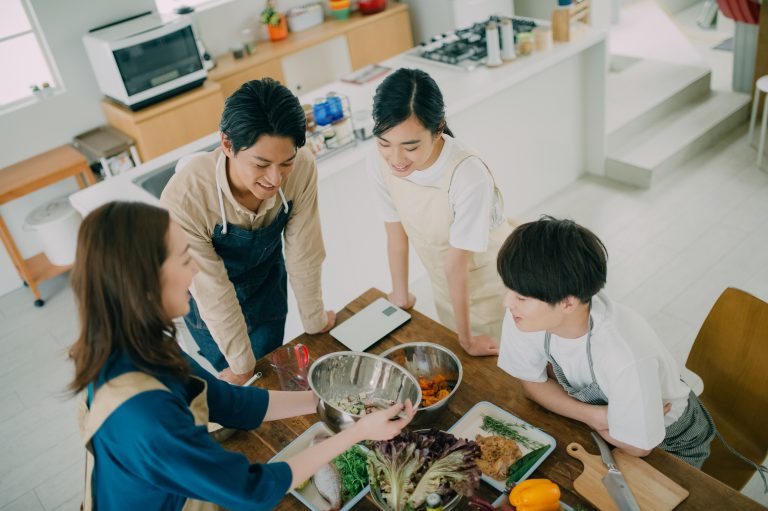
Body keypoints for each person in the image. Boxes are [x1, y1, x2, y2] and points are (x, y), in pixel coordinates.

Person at [69, 201, 414, 510]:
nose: (194, 273)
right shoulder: (143, 415)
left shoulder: (139, 343)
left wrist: (329, 403)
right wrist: (356, 432)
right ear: (144, 280)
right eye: (185, 260)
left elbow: (229, 401)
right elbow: (251, 490)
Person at [495, 216, 715, 466]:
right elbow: (531, 382)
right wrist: (594, 416)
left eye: (521, 297)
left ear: (568, 302)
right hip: (607, 424)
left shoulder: (623, 355)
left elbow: (638, 447)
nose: (507, 302)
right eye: (509, 290)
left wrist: (594, 415)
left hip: (670, 441)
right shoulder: (523, 315)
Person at [161, 78, 335, 386]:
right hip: (208, 300)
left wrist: (314, 320)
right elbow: (212, 289)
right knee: (242, 382)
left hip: (266, 283)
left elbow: (304, 252)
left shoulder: (303, 168)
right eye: (261, 164)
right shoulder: (186, 197)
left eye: (286, 163)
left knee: (270, 372)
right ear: (227, 145)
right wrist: (240, 365)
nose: (275, 179)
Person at [367, 68, 512, 356]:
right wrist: (399, 295)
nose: (395, 159)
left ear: (438, 129)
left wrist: (467, 338)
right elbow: (395, 235)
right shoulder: (377, 159)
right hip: (448, 288)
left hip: (493, 289)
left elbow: (456, 263)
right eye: (385, 143)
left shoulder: (467, 175)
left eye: (409, 147)